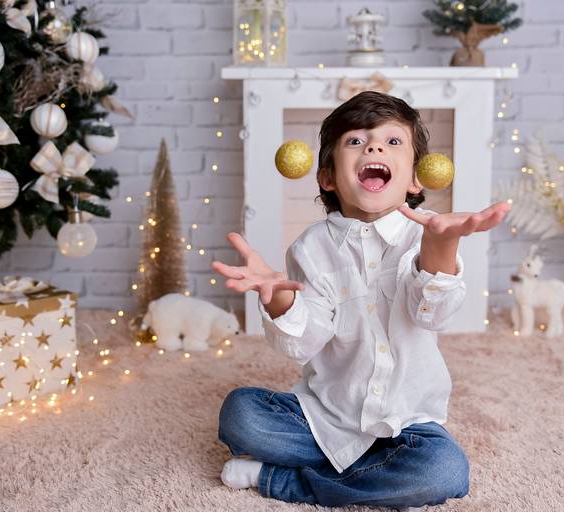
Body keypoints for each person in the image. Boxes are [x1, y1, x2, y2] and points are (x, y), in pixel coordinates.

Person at [211, 91, 510, 508]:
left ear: (414, 179)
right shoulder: (310, 249)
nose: (373, 147)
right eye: (355, 141)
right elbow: (305, 341)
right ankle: (364, 470)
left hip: (407, 426)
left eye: (392, 142)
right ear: (328, 177)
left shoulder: (426, 238)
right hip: (325, 416)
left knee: (443, 471)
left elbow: (431, 315)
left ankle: (284, 481)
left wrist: (440, 249)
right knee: (242, 414)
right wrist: (278, 297)